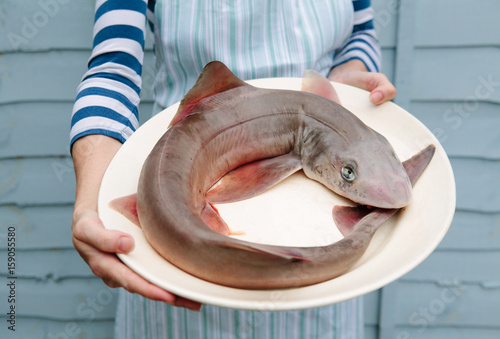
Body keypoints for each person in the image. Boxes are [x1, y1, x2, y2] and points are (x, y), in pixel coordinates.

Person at [71, 0, 396, 337]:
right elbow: (114, 71)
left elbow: (360, 33)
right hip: (175, 274)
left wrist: (346, 85)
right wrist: (90, 201)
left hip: (322, 286)